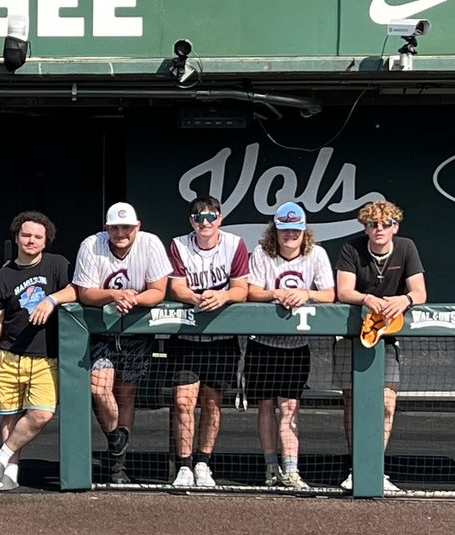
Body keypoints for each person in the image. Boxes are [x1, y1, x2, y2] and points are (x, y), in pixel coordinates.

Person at [73, 202, 172, 484]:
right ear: (107, 229)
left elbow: (158, 291)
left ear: (136, 227)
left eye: (126, 227)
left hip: (137, 330)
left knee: (126, 395)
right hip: (103, 330)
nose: (120, 233)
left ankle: (118, 466)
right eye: (115, 227)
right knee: (99, 388)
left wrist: (133, 299)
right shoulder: (91, 245)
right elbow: (85, 293)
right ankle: (117, 438)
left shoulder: (150, 243)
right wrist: (115, 296)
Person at [334, 200, 425, 492]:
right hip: (352, 336)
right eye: (373, 224)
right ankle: (356, 468)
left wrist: (405, 300)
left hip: (388, 336)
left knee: (387, 403)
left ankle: (376, 468)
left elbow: (420, 292)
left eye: (386, 224)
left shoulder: (406, 248)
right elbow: (344, 290)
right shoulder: (353, 249)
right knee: (354, 401)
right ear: (366, 227)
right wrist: (366, 298)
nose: (379, 229)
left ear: (395, 227)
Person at [0, 211, 76, 491]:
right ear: (17, 238)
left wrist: (52, 299)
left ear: (46, 241)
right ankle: (10, 472)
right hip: (9, 355)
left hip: (45, 357)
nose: (31, 241)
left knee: (42, 413)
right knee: (10, 415)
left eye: (37, 236)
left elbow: (76, 290)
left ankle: (1, 455)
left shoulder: (57, 265)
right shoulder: (3, 275)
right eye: (26, 235)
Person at [245, 201, 335, 489]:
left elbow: (331, 294)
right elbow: (251, 292)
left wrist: (305, 294)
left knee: (290, 406)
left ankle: (291, 469)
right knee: (266, 405)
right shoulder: (262, 253)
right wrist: (277, 293)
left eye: (295, 230)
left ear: (304, 230)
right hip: (262, 341)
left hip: (296, 344)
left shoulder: (316, 254)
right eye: (285, 230)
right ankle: (270, 466)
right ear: (276, 230)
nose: (290, 235)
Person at [165, 196, 250, 487]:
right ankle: (184, 466)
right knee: (183, 402)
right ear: (191, 222)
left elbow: (241, 288)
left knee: (213, 403)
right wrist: (197, 298)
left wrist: (223, 296)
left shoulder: (234, 244)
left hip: (222, 337)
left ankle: (203, 463)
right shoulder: (179, 244)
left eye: (210, 217)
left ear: (220, 219)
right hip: (187, 336)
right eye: (199, 218)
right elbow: (176, 287)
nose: (205, 223)